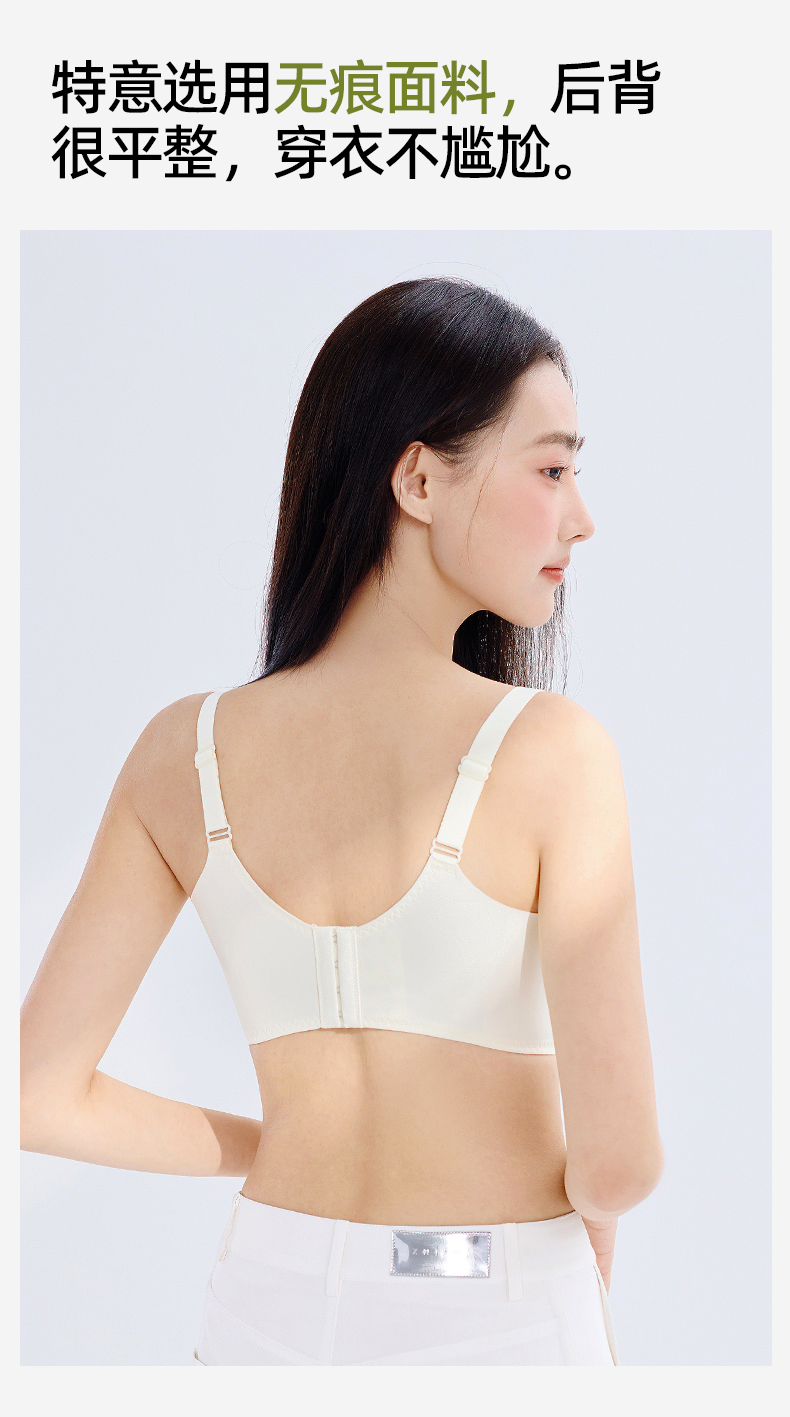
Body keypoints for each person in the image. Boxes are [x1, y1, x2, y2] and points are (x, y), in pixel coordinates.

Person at [20, 278, 663, 1366]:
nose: (581, 516)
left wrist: (282, 1150)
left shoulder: (182, 752)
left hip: (265, 1294)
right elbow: (619, 1162)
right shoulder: (553, 751)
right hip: (490, 1295)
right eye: (552, 469)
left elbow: (38, 1096)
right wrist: (591, 1229)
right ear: (418, 479)